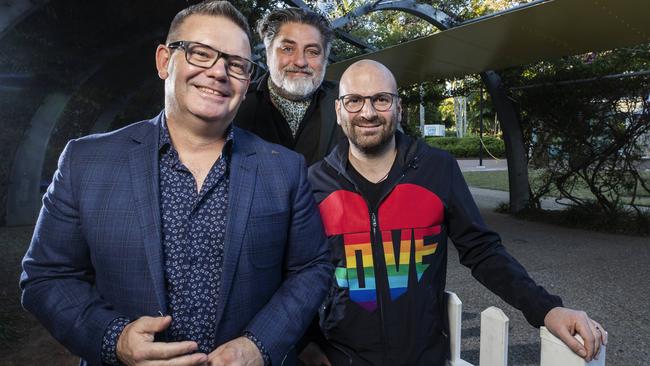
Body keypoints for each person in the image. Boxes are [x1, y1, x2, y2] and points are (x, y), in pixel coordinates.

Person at [20, 2, 332, 366]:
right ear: (165, 61)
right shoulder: (86, 162)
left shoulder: (284, 170)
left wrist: (259, 345)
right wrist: (114, 339)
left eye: (236, 64)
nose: (218, 72)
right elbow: (46, 276)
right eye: (201, 53)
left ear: (247, 83)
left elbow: (311, 269)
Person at [302, 59, 608, 366]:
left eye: (381, 99)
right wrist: (307, 342)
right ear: (339, 111)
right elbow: (297, 274)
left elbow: (483, 250)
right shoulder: (314, 182)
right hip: (341, 358)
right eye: (354, 100)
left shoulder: (438, 169)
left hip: (424, 358)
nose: (368, 112)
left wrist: (546, 309)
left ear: (398, 107)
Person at [234, 7, 342, 165]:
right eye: (288, 49)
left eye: (312, 51)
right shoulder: (235, 103)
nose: (300, 61)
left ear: (325, 58)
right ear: (268, 53)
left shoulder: (349, 101)